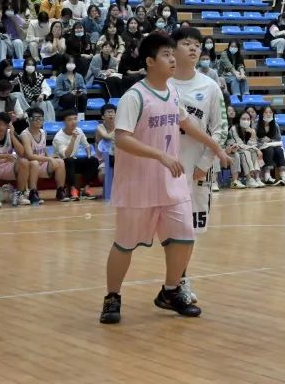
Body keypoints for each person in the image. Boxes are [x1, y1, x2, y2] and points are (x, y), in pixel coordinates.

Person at [99, 32, 232, 325]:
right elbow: (121, 139)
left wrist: (216, 148)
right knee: (124, 244)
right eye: (166, 55)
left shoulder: (171, 91)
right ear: (150, 61)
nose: (173, 59)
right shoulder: (135, 96)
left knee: (184, 236)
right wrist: (160, 155)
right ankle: (112, 297)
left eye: (173, 54)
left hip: (171, 184)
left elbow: (188, 123)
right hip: (137, 185)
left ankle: (170, 291)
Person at [169, 27, 229, 301]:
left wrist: (205, 161)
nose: (193, 48)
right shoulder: (163, 85)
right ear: (173, 49)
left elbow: (221, 129)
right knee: (167, 230)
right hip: (164, 167)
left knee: (188, 230)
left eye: (197, 44)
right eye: (186, 43)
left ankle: (180, 280)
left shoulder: (210, 86)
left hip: (196, 170)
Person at [20, 106, 69, 202]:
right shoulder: (25, 135)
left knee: (60, 162)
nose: (39, 121)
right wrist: (49, 159)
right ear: (29, 119)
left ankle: (60, 191)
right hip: (29, 165)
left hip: (42, 163)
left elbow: (43, 148)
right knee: (34, 163)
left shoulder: (43, 132)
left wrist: (50, 157)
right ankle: (33, 192)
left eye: (41, 118)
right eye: (36, 118)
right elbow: (29, 156)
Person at [52, 109, 100, 200]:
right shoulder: (59, 137)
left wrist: (89, 155)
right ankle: (72, 189)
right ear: (64, 122)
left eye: (75, 119)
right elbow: (66, 155)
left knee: (93, 160)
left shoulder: (79, 130)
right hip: (61, 164)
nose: (73, 122)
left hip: (73, 160)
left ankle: (86, 188)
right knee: (69, 160)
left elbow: (87, 145)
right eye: (70, 120)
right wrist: (73, 139)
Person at [0, 112, 31, 206]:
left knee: (24, 162)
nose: (1, 127)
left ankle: (19, 195)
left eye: (4, 125)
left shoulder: (10, 133)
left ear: (8, 126)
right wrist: (4, 156)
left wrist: (12, 135)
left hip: (7, 165)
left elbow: (21, 152)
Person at [227, 109, 264, 187]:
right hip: (233, 150)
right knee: (246, 152)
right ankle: (249, 179)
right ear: (239, 120)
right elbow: (240, 144)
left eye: (248, 119)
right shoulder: (233, 129)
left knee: (253, 152)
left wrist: (253, 135)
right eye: (243, 119)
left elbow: (253, 145)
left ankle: (257, 178)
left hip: (243, 150)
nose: (246, 121)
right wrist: (257, 149)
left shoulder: (250, 130)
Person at [256, 106, 285, 186]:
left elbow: (279, 139)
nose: (268, 114)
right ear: (262, 114)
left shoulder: (275, 125)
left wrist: (270, 141)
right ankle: (267, 177)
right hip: (260, 147)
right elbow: (253, 141)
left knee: (279, 150)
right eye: (266, 112)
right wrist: (262, 142)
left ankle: (283, 176)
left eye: (270, 112)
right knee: (269, 149)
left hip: (271, 145)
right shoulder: (256, 125)